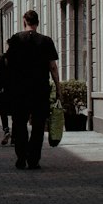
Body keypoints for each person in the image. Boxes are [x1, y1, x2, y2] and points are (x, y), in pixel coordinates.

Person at [5, 10, 61, 171]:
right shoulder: (46, 41)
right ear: (37, 22)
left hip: (20, 90)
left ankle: (21, 158)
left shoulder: (16, 40)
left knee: (19, 123)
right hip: (40, 89)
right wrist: (58, 88)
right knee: (38, 125)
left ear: (24, 22)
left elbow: (8, 64)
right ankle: (34, 159)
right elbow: (53, 67)